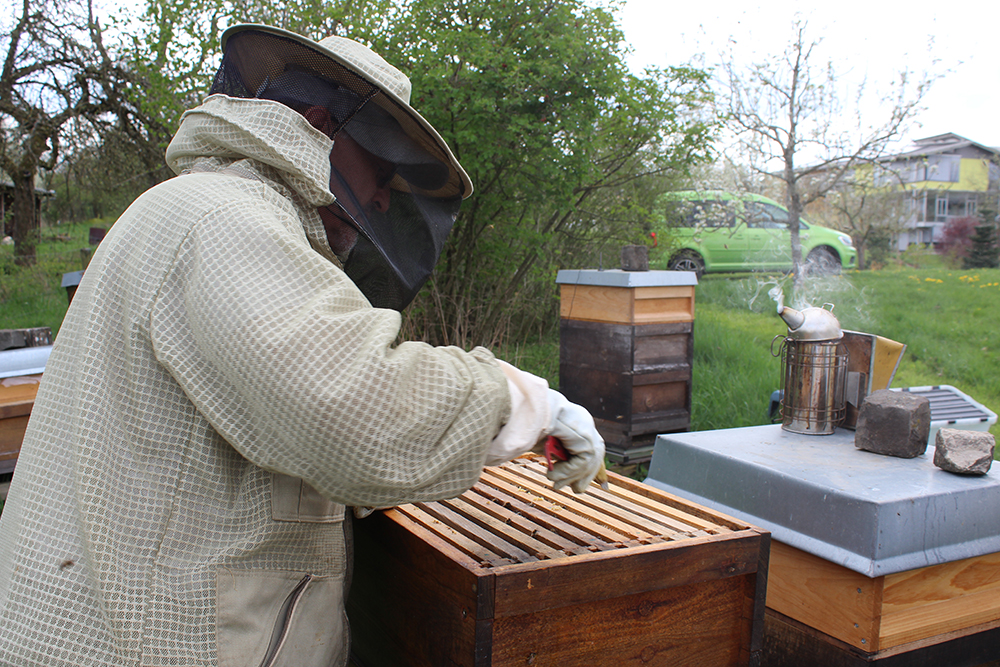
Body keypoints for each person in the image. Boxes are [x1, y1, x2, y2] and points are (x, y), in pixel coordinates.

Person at [0, 24, 604, 667]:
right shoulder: (229, 220)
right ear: (319, 126)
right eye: (380, 169)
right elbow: (353, 408)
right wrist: (527, 404)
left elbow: (270, 421)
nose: (379, 197)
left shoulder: (191, 208)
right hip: (149, 639)